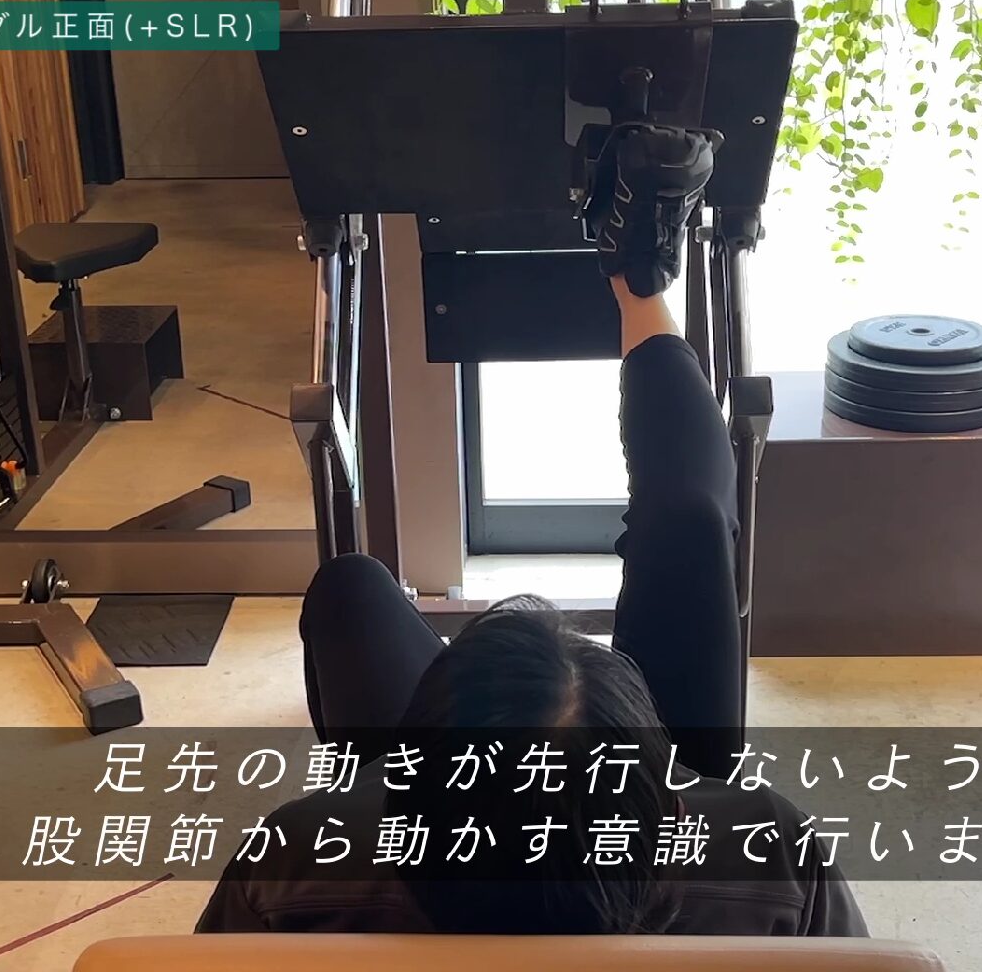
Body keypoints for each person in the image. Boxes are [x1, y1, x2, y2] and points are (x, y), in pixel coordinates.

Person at [198, 123, 866, 936]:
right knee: (690, 529)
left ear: (400, 806)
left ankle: (637, 277)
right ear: (669, 810)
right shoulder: (769, 859)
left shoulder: (298, 861)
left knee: (351, 593)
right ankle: (638, 279)